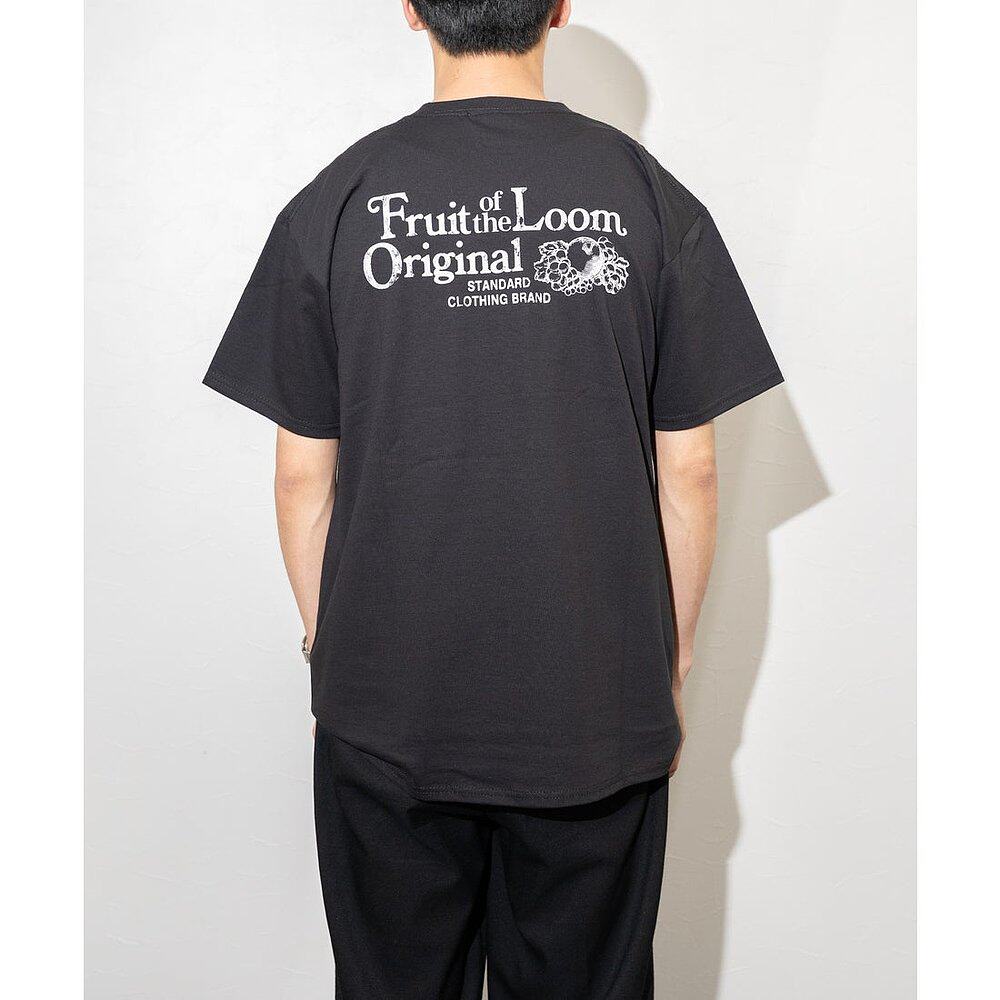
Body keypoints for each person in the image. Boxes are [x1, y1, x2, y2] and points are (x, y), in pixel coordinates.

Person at [204, 1, 782, 996]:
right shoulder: (648, 197)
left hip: (387, 704)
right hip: (594, 703)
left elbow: (301, 474)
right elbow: (690, 469)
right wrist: (671, 660)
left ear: (410, 9)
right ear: (559, 8)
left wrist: (331, 651)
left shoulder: (336, 201)